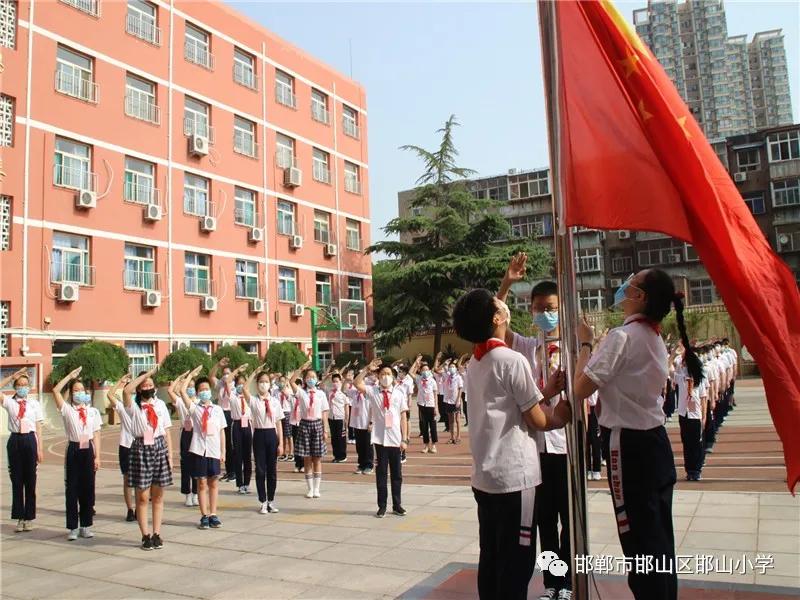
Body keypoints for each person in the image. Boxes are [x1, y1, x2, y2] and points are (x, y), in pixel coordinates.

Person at [572, 270, 704, 600]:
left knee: (639, 544)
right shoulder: (654, 337)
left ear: (641, 296)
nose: (624, 288)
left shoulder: (623, 337)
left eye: (630, 284)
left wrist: (586, 343)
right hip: (655, 443)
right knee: (659, 541)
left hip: (628, 446)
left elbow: (580, 388)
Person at [452, 288, 569, 600]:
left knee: (491, 555)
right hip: (515, 478)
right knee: (517, 562)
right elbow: (538, 420)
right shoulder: (512, 359)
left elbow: (508, 405)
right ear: (497, 317)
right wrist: (560, 415)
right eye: (498, 303)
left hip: (486, 478)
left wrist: (542, 397)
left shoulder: (475, 363)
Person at [498, 256, 573, 600]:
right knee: (544, 523)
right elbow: (494, 325)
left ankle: (571, 583)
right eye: (540, 308)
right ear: (530, 311)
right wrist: (507, 283)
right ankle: (551, 584)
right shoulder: (528, 347)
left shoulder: (572, 349)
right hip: (537, 448)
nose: (546, 313)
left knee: (570, 522)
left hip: (567, 447)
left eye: (551, 307)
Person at [123, 367, 173, 550]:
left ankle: (157, 533)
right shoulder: (134, 406)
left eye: (151, 385)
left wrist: (169, 455)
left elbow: (167, 430)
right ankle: (145, 535)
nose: (149, 388)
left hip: (159, 446)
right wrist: (144, 375)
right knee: (143, 496)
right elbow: (126, 391)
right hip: (141, 448)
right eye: (145, 385)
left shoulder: (159, 405)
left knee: (158, 495)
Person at [354, 358, 410, 518]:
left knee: (397, 475)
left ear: (393, 376)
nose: (385, 376)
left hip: (396, 439)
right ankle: (382, 505)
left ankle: (397, 505)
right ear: (378, 377)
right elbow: (358, 383)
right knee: (381, 474)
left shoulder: (399, 393)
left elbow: (403, 416)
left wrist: (405, 439)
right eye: (383, 374)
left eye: (388, 374)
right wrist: (367, 369)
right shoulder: (373, 391)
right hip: (380, 439)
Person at [52, 366, 102, 541]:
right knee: (72, 489)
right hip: (73, 449)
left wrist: (98, 456)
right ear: (71, 393)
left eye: (81, 390)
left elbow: (96, 434)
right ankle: (72, 527)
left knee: (88, 489)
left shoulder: (92, 411)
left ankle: (86, 525)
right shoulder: (67, 410)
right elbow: (56, 390)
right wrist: (70, 376)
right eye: (75, 390)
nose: (79, 393)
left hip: (88, 450)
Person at [179, 367, 227, 530]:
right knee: (201, 483)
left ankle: (213, 514)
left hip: (214, 450)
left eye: (206, 389)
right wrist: (190, 376)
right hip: (199, 449)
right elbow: (182, 391)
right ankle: (204, 515)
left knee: (213, 482)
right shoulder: (194, 408)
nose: (204, 392)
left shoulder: (218, 410)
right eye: (201, 390)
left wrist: (223, 452)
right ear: (198, 393)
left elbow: (221, 432)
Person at [1, 367, 44, 533]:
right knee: (17, 481)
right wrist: (12, 376)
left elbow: (39, 427)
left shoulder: (34, 404)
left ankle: (29, 517)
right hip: (15, 440)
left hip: (30, 440)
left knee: (30, 481)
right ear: (15, 386)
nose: (22, 387)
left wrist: (40, 449)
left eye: (25, 384)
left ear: (29, 386)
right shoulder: (10, 402)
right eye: (19, 384)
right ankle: (19, 517)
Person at [244, 366, 284, 514]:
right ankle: (263, 501)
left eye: (266, 381)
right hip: (259, 435)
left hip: (271, 435)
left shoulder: (274, 401)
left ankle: (271, 501)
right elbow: (244, 389)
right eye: (261, 381)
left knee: (272, 471)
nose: (263, 384)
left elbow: (279, 422)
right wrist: (254, 373)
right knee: (260, 470)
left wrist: (281, 443)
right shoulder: (254, 401)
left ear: (270, 384)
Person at [288, 362, 331, 498]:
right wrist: (301, 368)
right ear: (305, 380)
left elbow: (324, 412)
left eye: (313, 377)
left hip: (317, 425)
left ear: (317, 379)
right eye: (308, 377)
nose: (311, 379)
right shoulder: (301, 393)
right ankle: (310, 488)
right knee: (307, 458)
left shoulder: (321, 394)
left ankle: (317, 488)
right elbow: (291, 381)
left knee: (317, 458)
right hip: (305, 425)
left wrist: (325, 429)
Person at [106, 375, 139, 520]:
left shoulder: (140, 406)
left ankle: (139, 508)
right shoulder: (121, 407)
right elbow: (109, 394)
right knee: (127, 479)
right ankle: (130, 510)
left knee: (140, 480)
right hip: (126, 445)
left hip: (140, 445)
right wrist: (120, 381)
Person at [165, 372, 199, 507]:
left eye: (192, 386)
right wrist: (181, 377)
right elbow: (170, 390)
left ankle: (196, 494)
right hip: (185, 433)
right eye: (188, 386)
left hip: (197, 433)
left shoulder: (198, 402)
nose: (190, 389)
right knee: (186, 465)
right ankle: (187, 494)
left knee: (197, 464)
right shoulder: (179, 401)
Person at [675, 347, 706, 482]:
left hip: (695, 415)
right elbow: (668, 368)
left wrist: (704, 417)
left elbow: (704, 398)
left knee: (696, 443)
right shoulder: (681, 377)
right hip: (683, 414)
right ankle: (689, 470)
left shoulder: (700, 378)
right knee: (686, 443)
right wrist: (673, 355)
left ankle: (696, 470)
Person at [347, 368, 374, 475]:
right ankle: (361, 464)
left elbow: (373, 409)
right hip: (357, 423)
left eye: (361, 382)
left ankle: (369, 465)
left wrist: (371, 422)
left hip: (367, 424)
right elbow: (345, 388)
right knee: (359, 446)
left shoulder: (369, 393)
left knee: (368, 446)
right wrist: (347, 379)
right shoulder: (354, 393)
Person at [230, 371, 254, 495]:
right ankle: (240, 484)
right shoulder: (233, 396)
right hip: (237, 425)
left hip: (247, 425)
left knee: (247, 457)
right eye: (239, 384)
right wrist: (236, 370)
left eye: (243, 384)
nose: (241, 386)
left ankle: (247, 483)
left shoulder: (249, 398)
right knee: (238, 456)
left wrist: (252, 375)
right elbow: (228, 381)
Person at [325, 372, 350, 463]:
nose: (335, 383)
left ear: (340, 381)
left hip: (340, 418)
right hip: (331, 417)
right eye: (333, 381)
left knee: (341, 438)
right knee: (334, 438)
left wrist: (346, 419)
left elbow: (346, 406)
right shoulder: (330, 391)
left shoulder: (343, 393)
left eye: (337, 381)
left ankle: (342, 456)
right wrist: (327, 376)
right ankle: (336, 455)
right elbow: (321, 385)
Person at [416, 361, 439, 454]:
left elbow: (435, 394)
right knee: (424, 426)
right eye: (423, 370)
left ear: (429, 370)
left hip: (431, 405)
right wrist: (417, 364)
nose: (425, 371)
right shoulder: (419, 380)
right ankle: (426, 445)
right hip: (422, 405)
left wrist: (436, 407)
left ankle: (433, 445)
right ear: (420, 371)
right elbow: (410, 373)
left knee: (432, 426)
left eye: (427, 369)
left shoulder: (432, 381)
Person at [442, 361, 464, 444]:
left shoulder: (458, 377)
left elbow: (460, 388)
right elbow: (443, 368)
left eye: (453, 367)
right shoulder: (447, 375)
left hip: (455, 401)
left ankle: (458, 436)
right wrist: (446, 363)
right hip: (448, 400)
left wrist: (458, 399)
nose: (452, 368)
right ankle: (452, 437)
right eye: (450, 367)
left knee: (457, 420)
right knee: (450, 420)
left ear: (456, 369)